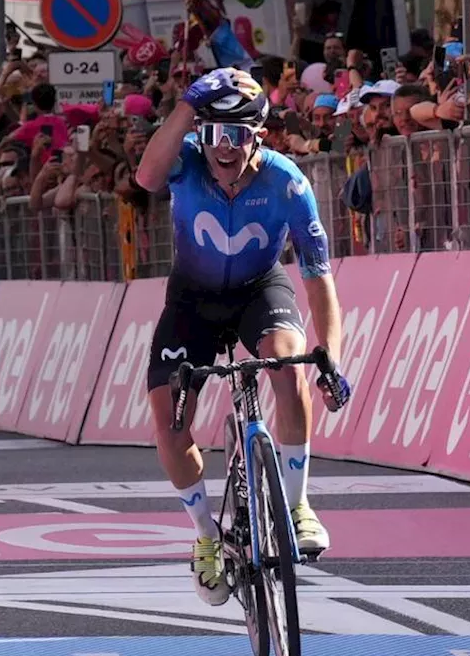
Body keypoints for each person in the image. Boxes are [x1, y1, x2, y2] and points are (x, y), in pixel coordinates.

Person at [134, 67, 351, 606]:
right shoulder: (185, 163)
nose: (222, 148)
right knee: (169, 419)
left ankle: (297, 506)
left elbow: (319, 282)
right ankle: (207, 536)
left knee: (288, 362)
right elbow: (144, 178)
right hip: (192, 301)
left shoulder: (287, 182)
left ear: (260, 133)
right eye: (211, 134)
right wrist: (187, 106)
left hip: (259, 290)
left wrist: (330, 360)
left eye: (236, 134)